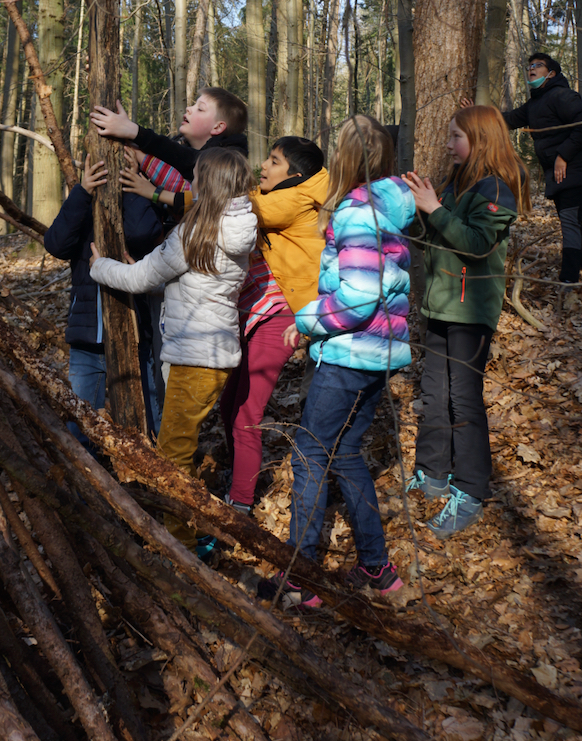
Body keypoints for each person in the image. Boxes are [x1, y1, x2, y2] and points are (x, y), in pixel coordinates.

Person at [258, 117, 416, 608]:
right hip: (378, 354)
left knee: (308, 457)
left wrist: (307, 322)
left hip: (352, 356)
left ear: (345, 158)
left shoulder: (355, 210)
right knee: (344, 452)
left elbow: (359, 297)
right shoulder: (390, 203)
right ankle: (378, 569)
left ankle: (299, 579)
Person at [125, 136, 329, 514]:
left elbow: (202, 194)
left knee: (246, 416)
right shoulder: (256, 206)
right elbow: (200, 189)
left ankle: (241, 505)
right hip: (254, 313)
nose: (263, 166)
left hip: (278, 315)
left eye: (273, 161)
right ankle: (238, 482)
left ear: (295, 174)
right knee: (231, 409)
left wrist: (151, 178)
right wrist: (145, 163)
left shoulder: (288, 201)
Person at [89, 149, 257, 556]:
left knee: (173, 454)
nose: (191, 182)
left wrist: (101, 266)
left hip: (193, 357)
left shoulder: (194, 233)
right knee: (181, 446)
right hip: (212, 353)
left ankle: (178, 543)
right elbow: (193, 280)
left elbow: (144, 277)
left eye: (196, 176)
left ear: (208, 184)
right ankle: (187, 528)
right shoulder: (234, 226)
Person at [403, 105, 530, 537]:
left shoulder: (496, 188)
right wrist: (422, 211)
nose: (448, 144)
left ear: (480, 138)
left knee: (464, 399)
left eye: (455, 136)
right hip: (440, 305)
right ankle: (432, 473)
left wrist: (435, 208)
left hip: (470, 311)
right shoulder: (460, 184)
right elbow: (436, 242)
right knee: (435, 392)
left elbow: (476, 244)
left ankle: (472, 490)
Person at [43, 155, 163, 439]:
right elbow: (56, 244)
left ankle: (153, 474)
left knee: (148, 418)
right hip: (87, 339)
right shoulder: (83, 207)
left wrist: (133, 191)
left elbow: (144, 234)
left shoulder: (142, 205)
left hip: (134, 335)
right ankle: (88, 474)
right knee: (80, 421)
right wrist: (82, 191)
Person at [496, 53, 582, 284]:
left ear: (551, 73)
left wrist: (563, 156)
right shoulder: (535, 104)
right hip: (562, 176)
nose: (531, 69)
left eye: (537, 65)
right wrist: (477, 112)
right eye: (529, 66)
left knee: (570, 223)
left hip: (578, 171)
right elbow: (509, 119)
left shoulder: (563, 95)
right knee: (573, 224)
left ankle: (567, 282)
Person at [89, 87, 248, 182]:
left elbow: (190, 160)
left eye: (200, 108)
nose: (189, 109)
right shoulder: (180, 146)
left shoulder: (231, 161)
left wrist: (134, 131)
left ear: (218, 127)